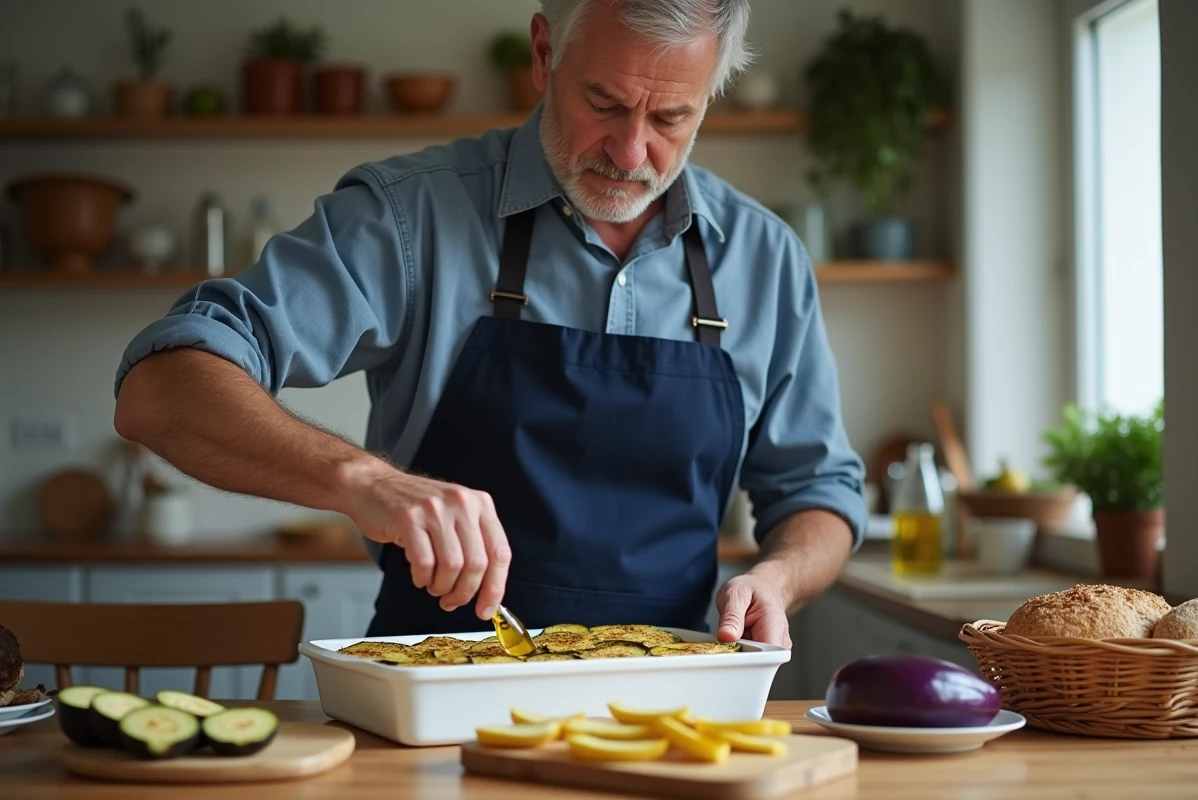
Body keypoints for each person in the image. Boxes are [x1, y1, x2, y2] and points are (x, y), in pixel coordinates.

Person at [112, 0, 866, 648]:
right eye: (604, 102)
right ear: (543, 54)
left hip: (671, 705)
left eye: (671, 116)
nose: (631, 151)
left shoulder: (764, 257)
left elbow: (819, 493)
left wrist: (779, 577)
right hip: (437, 701)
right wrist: (364, 481)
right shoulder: (410, 217)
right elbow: (159, 388)